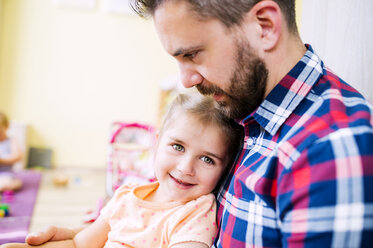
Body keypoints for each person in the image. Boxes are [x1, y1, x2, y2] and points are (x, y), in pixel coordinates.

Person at [17, 0, 373, 247]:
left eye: (192, 54)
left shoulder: (331, 148)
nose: (185, 80)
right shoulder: (247, 113)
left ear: (264, 25)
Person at [1, 93, 243, 248]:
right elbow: (79, 243)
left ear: (225, 167)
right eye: (178, 146)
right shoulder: (127, 195)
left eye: (207, 159)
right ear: (157, 143)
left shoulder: (195, 212)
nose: (185, 167)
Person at [0, 111, 23, 192]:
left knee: (6, 182)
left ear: (7, 126)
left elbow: (18, 157)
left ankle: (9, 185)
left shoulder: (11, 141)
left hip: (5, 174)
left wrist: (2, 160)